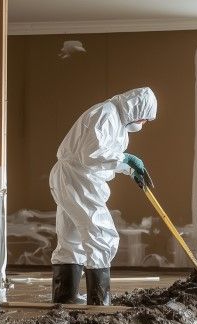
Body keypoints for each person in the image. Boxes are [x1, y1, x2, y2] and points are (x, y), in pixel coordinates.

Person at [49, 87, 157, 305]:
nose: (144, 124)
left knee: (71, 237)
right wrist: (127, 158)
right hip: (79, 179)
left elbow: (105, 156)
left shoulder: (116, 121)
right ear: (137, 110)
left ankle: (65, 295)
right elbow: (91, 156)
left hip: (73, 178)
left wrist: (128, 168)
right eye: (145, 119)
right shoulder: (106, 115)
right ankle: (100, 300)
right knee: (101, 234)